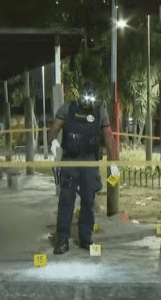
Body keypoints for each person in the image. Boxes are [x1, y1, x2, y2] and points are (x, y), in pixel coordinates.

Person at [49, 81, 120, 254]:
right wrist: (52, 144)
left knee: (89, 201)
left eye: (92, 98)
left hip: (90, 162)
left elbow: (108, 137)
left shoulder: (101, 111)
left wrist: (114, 162)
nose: (88, 102)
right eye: (85, 97)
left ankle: (86, 238)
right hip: (70, 161)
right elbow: (54, 128)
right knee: (66, 201)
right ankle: (62, 240)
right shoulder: (67, 108)